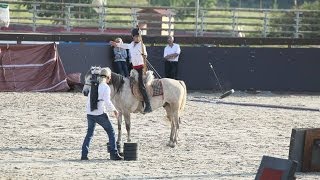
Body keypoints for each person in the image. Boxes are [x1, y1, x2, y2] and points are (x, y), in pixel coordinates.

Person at [81, 67, 123, 161]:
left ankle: (84, 155)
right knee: (111, 132)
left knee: (89, 134)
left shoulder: (94, 85)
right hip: (99, 113)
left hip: (89, 113)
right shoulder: (105, 87)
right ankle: (114, 154)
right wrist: (114, 111)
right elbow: (107, 102)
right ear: (108, 77)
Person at [110, 27, 152, 113]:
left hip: (140, 68)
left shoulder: (142, 45)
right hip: (134, 68)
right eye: (135, 36)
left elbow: (145, 55)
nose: (137, 38)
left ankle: (148, 105)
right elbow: (124, 45)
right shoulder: (131, 44)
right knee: (130, 83)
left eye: (138, 36)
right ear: (133, 37)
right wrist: (116, 44)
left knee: (141, 85)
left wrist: (144, 55)